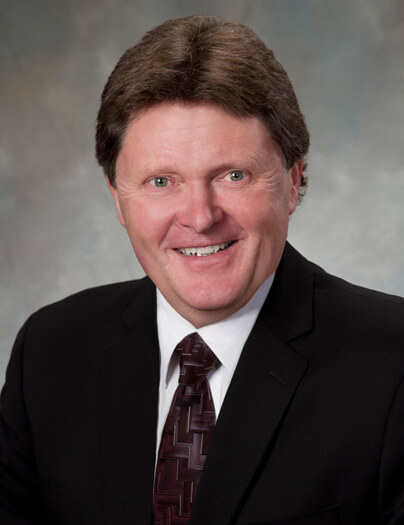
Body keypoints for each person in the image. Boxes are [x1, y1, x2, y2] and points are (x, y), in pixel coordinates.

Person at [0, 14, 403, 525]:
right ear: (117, 199)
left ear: (293, 180)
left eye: (234, 175)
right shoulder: (51, 352)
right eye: (161, 181)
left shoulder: (393, 362)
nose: (200, 217)